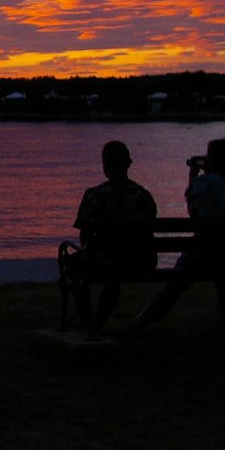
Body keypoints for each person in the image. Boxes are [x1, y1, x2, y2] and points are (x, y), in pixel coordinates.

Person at [128, 138, 225, 332]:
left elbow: (196, 218)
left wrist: (193, 178)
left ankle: (145, 317)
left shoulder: (203, 185)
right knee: (224, 271)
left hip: (205, 253)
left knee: (178, 277)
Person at [68, 141, 157, 334]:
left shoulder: (94, 195)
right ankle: (97, 323)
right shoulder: (143, 196)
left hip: (107, 260)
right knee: (114, 271)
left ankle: (88, 320)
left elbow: (84, 239)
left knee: (73, 264)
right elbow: (149, 229)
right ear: (129, 163)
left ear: (105, 165)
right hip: (142, 260)